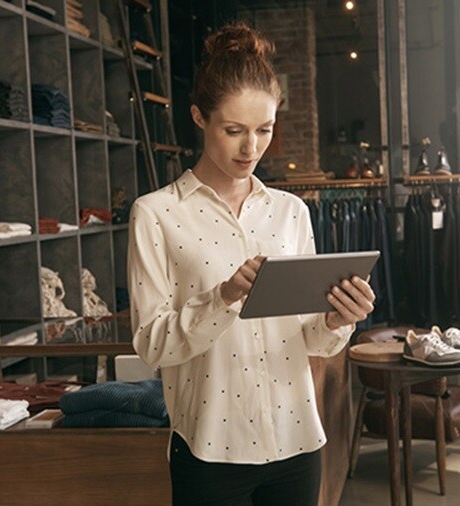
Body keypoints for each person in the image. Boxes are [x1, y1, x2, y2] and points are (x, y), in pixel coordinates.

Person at [127, 22, 376, 505]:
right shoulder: (156, 214)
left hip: (297, 440)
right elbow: (152, 346)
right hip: (209, 453)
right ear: (199, 117)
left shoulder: (291, 212)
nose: (251, 149)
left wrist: (337, 318)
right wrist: (222, 298)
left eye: (264, 130)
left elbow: (312, 337)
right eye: (234, 130)